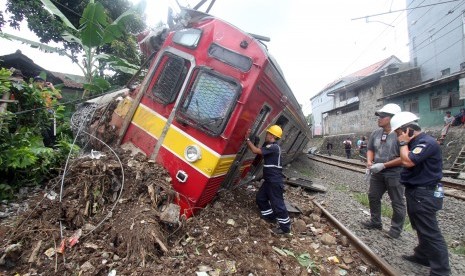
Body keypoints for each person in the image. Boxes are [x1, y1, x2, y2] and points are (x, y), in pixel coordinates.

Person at [390, 111, 450, 276]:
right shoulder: (417, 142)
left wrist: (403, 144)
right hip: (417, 193)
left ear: (407, 129)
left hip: (425, 194)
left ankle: (441, 271)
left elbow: (407, 161)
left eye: (398, 133)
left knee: (430, 231)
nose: (397, 136)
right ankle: (423, 255)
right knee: (421, 227)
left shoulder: (426, 143)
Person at [361, 103, 406, 239]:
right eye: (379, 116)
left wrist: (384, 165)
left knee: (397, 201)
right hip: (377, 172)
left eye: (382, 116)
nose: (379, 119)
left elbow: (404, 158)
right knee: (373, 196)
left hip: (395, 173)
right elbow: (370, 149)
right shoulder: (376, 133)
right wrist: (370, 162)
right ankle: (375, 222)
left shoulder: (400, 134)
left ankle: (395, 229)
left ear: (393, 118)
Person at [245, 125, 291, 235]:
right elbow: (259, 150)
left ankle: (285, 228)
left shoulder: (274, 147)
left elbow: (255, 151)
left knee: (278, 204)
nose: (266, 135)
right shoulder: (272, 147)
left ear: (272, 135)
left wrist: (247, 139)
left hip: (274, 182)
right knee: (260, 198)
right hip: (269, 181)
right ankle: (270, 217)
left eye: (268, 133)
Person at [33, 76, 62, 147]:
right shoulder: (32, 92)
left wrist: (52, 87)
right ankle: (49, 147)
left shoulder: (47, 93)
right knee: (44, 134)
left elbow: (59, 97)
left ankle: (53, 149)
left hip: (50, 114)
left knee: (52, 133)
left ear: (44, 83)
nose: (38, 83)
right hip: (39, 115)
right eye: (36, 81)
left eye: (41, 81)